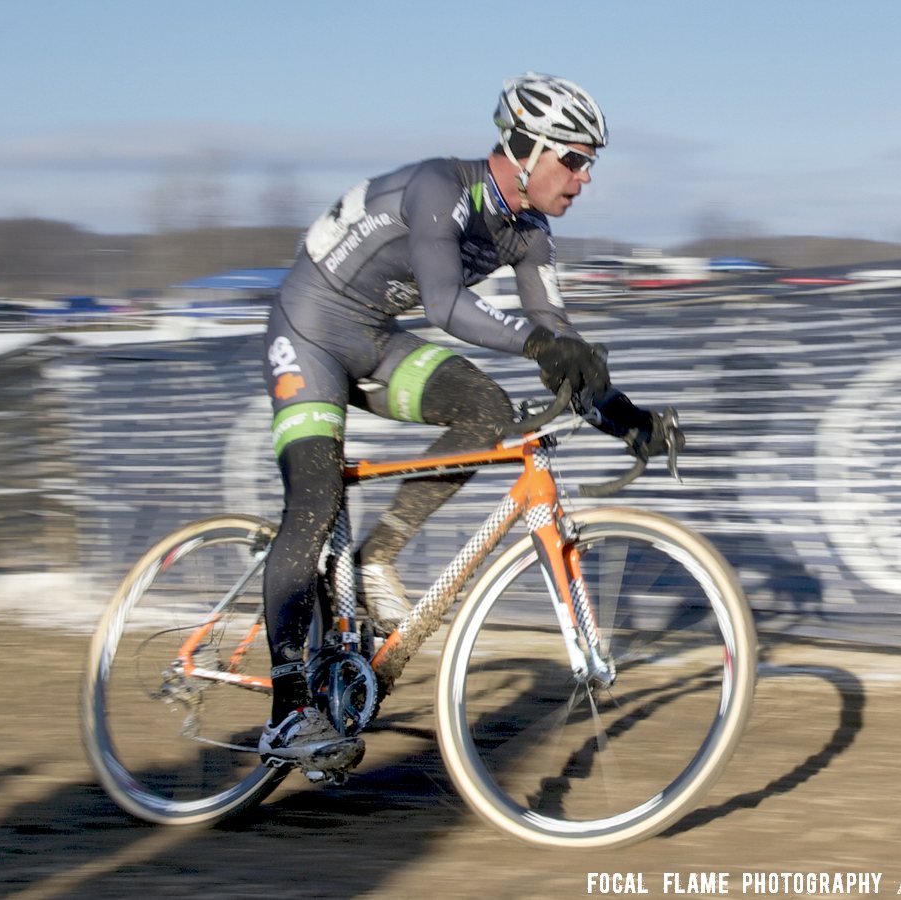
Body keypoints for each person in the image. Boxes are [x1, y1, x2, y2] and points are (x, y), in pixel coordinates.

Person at [258, 72, 676, 772]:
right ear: (524, 148)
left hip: (370, 337)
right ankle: (288, 711)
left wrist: (622, 416)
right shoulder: (439, 190)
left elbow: (556, 340)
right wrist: (542, 345)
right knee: (314, 500)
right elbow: (446, 307)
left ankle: (375, 557)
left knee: (485, 409)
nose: (583, 179)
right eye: (572, 160)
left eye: (588, 164)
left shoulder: (530, 233)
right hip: (307, 331)